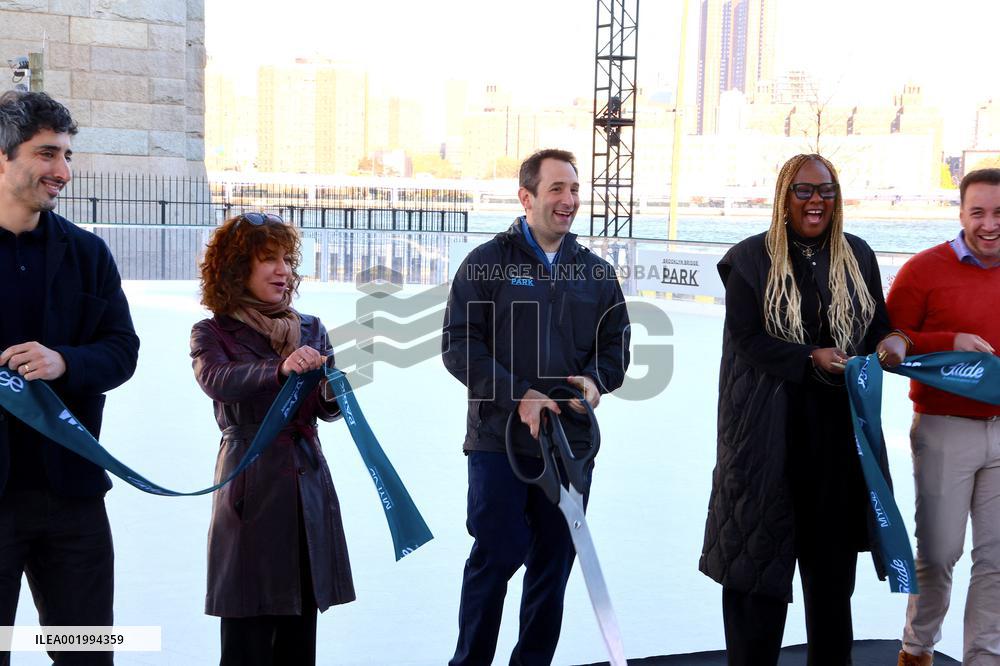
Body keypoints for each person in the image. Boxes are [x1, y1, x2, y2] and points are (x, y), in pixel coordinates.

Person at [699, 153, 908, 665]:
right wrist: (806, 358)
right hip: (766, 435)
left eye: (827, 191)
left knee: (832, 583)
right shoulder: (750, 259)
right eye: (804, 191)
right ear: (783, 197)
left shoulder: (857, 255)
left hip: (837, 437)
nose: (817, 201)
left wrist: (894, 341)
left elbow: (877, 324)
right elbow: (747, 341)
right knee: (756, 578)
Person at [441, 148, 631, 665]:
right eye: (556, 189)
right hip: (497, 442)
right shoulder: (486, 263)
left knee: (553, 565)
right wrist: (518, 395)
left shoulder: (596, 273)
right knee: (495, 556)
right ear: (526, 197)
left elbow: (616, 349)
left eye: (574, 189)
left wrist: (595, 382)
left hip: (568, 445)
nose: (569, 200)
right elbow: (459, 346)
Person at [0, 91, 139, 665]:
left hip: (73, 497)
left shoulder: (88, 253)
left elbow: (121, 350)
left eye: (68, 156)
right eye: (47, 154)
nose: (63, 172)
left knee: (86, 654)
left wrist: (65, 362)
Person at [190, 213, 354, 666]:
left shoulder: (312, 327)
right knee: (247, 633)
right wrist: (279, 369)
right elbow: (217, 379)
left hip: (306, 487)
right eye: (268, 259)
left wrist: (334, 389)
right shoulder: (212, 331)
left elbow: (326, 410)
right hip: (251, 486)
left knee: (300, 635)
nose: (283, 270)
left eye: (286, 259)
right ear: (237, 268)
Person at [888, 168, 1000, 666]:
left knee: (996, 561)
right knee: (937, 553)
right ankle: (917, 651)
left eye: (999, 213)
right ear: (960, 214)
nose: (989, 224)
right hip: (943, 428)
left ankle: (984, 657)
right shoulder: (923, 270)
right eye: (978, 212)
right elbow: (888, 345)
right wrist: (948, 341)